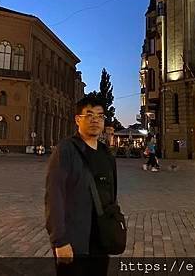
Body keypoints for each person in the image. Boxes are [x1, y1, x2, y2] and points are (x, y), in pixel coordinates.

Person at [45, 93, 118, 276]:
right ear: (78, 119)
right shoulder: (66, 150)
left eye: (100, 116)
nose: (95, 120)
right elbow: (54, 196)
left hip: (101, 241)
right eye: (89, 115)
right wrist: (60, 241)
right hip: (74, 242)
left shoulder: (107, 154)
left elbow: (111, 195)